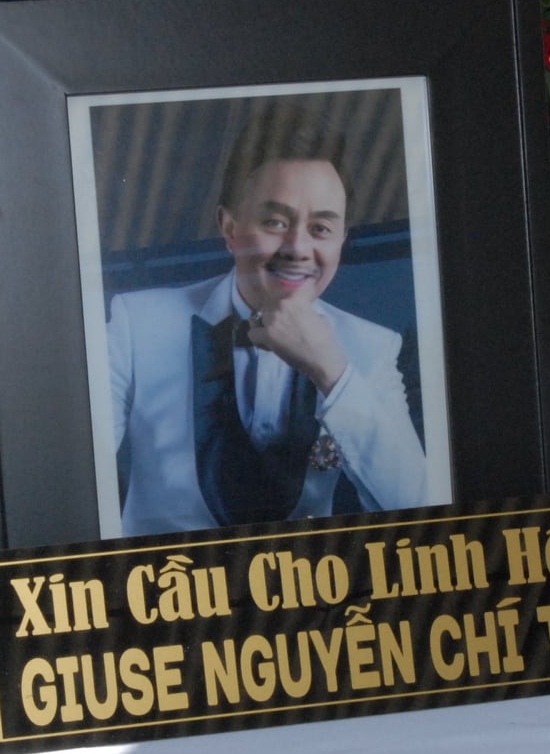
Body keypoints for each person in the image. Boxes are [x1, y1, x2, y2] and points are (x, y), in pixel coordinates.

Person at [105, 102, 430, 537]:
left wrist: (334, 373)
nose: (297, 248)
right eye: (275, 222)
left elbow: (417, 505)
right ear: (229, 227)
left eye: (321, 229)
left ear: (341, 242)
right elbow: (71, 472)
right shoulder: (137, 323)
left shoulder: (373, 346)